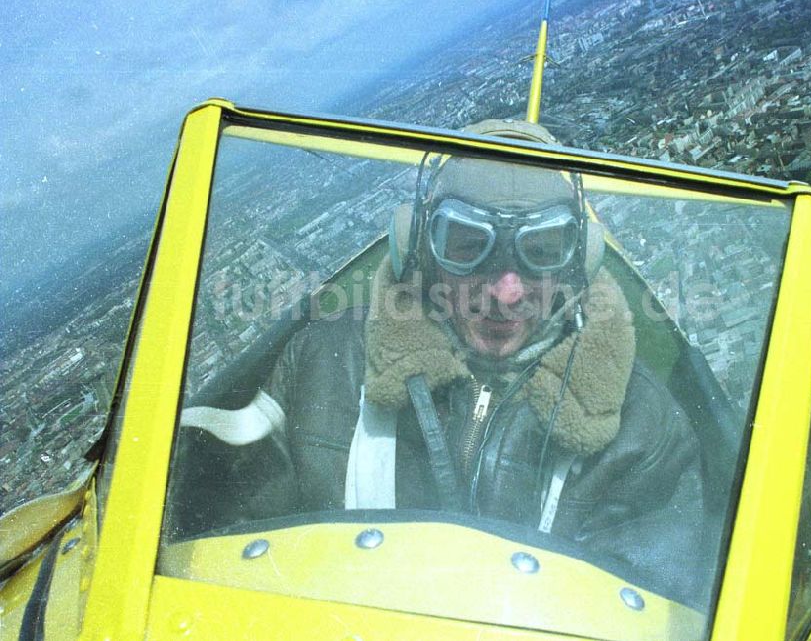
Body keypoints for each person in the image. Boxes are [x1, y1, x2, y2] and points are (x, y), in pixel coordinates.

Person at [175, 120, 708, 606]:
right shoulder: (322, 362)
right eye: (469, 245)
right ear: (419, 250)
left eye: (542, 250)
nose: (506, 291)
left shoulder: (642, 429)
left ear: (580, 260)